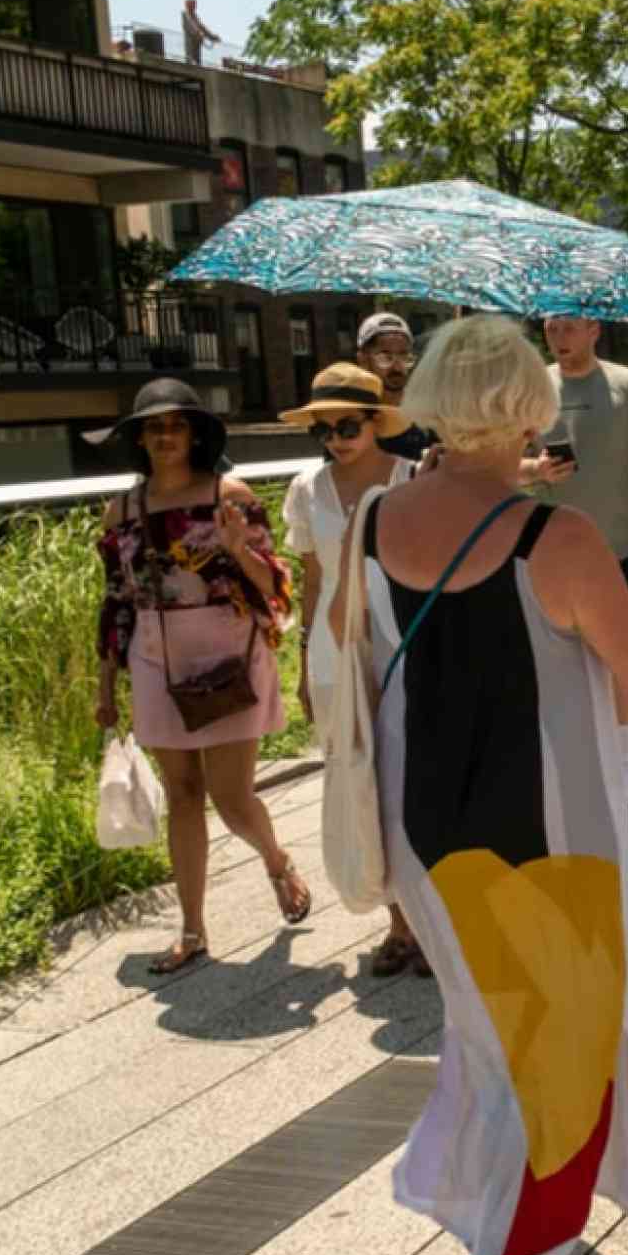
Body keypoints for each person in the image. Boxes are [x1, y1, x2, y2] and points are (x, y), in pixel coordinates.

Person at [334, 313, 628, 1255]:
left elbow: (350, 656)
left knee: (489, 1037)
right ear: (528, 407)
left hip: (425, 830)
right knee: (563, 1053)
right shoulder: (554, 538)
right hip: (546, 841)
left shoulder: (369, 522)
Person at [96, 378, 312, 976]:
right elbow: (115, 598)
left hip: (226, 652)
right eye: (154, 427)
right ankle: (191, 930)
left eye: (176, 425)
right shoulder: (123, 510)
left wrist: (238, 548)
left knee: (233, 797)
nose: (165, 436)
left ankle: (275, 860)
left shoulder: (229, 494)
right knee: (183, 795)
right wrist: (104, 681)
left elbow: (276, 585)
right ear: (139, 438)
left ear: (195, 434)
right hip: (154, 653)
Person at [278, 361, 429, 980]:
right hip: (334, 655)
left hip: (400, 643)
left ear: (375, 422)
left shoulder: (410, 480)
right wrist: (303, 659)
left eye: (346, 424)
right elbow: (312, 579)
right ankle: (397, 924)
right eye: (324, 428)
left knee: (409, 781)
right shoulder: (306, 489)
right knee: (359, 782)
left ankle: (427, 922)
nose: (335, 438)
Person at [522, 315, 628, 805]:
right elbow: (501, 461)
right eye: (551, 328)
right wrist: (536, 469)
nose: (559, 338)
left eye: (570, 328)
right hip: (546, 550)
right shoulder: (532, 388)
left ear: (594, 330)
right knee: (552, 660)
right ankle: (571, 765)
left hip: (620, 548)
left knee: (623, 662)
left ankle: (625, 765)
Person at [356, 312, 439, 461]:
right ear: (363, 360)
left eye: (404, 356)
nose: (397, 367)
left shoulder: (427, 414)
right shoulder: (351, 416)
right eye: (385, 358)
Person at [179, 0, 218, 65]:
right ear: (187, 5)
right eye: (193, 5)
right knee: (190, 62)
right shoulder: (185, 15)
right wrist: (198, 33)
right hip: (190, 45)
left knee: (197, 63)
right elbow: (192, 26)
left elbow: (202, 27)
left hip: (197, 45)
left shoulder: (195, 16)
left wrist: (212, 37)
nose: (194, 7)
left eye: (195, 5)